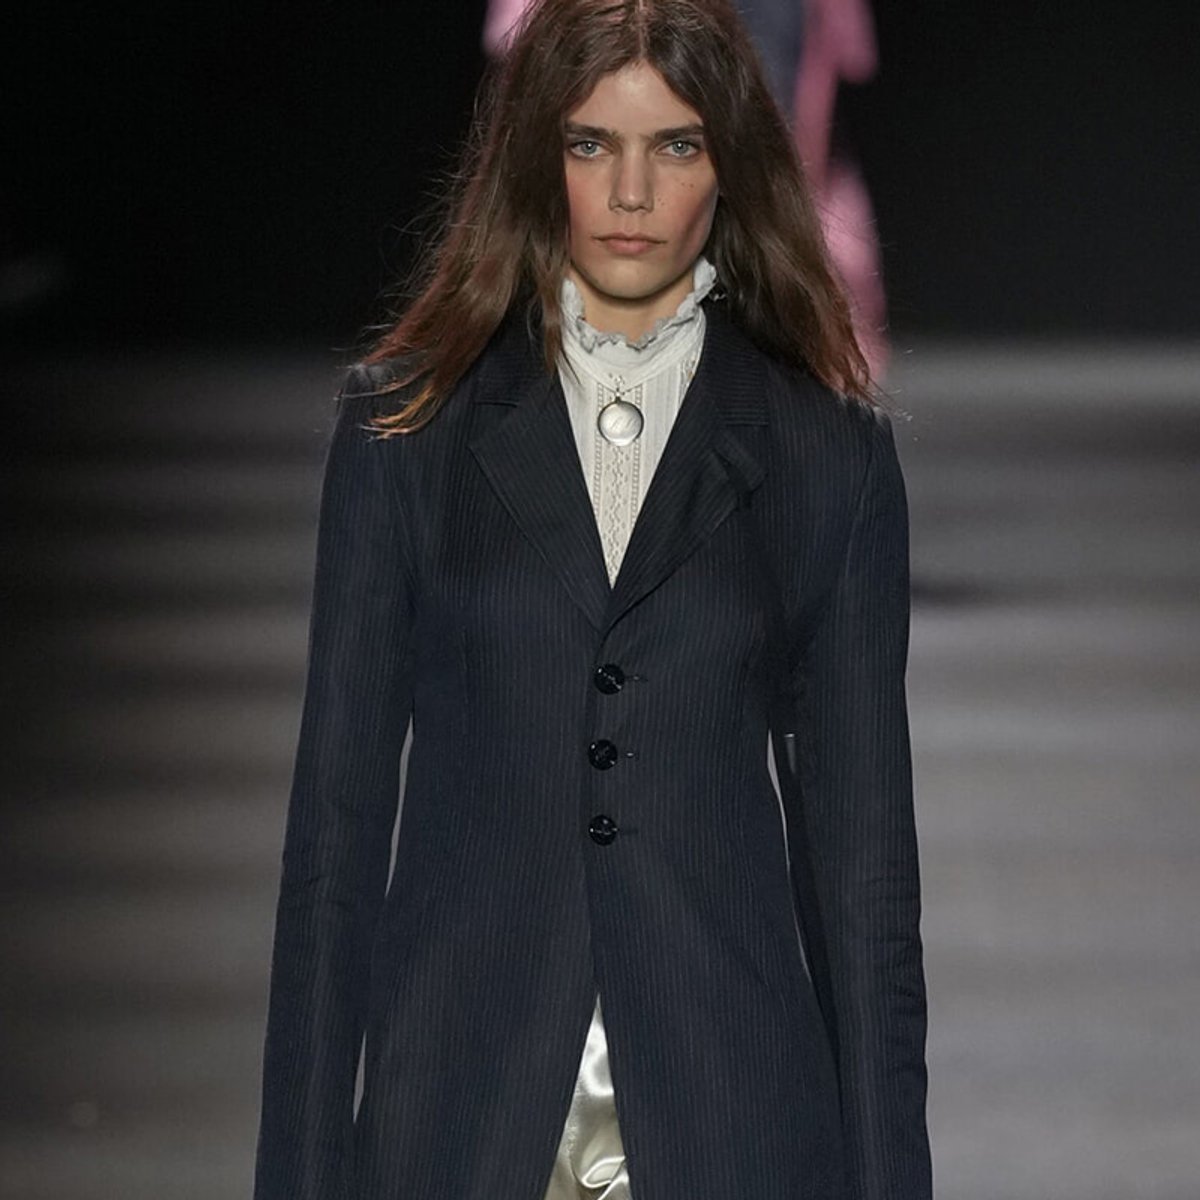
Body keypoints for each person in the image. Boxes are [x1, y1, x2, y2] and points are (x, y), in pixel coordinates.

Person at [254, 1, 930, 1198]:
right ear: (535, 158)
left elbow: (865, 885)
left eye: (673, 145)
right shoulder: (407, 433)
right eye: (589, 144)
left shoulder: (826, 459)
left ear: (732, 161)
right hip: (459, 1111)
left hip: (735, 1114)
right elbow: (332, 855)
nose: (630, 192)